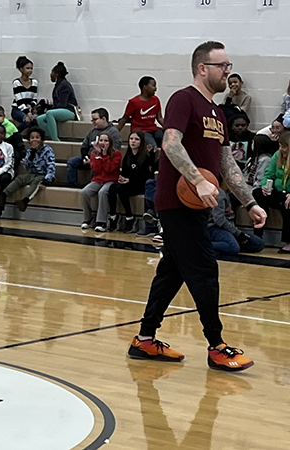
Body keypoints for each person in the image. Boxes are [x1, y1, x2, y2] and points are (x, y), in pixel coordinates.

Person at [129, 41, 267, 372]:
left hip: (196, 206)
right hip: (176, 202)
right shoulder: (183, 99)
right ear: (203, 68)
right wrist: (198, 180)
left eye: (228, 66)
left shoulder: (218, 113)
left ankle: (144, 340)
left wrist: (249, 201)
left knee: (172, 271)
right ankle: (216, 346)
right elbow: (170, 143)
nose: (227, 72)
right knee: (205, 269)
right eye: (222, 66)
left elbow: (226, 164)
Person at [0, 126, 56, 217]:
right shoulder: (30, 151)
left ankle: (25, 201)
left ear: (42, 139)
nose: (35, 140)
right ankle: (3, 195)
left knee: (36, 183)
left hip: (43, 175)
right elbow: (26, 166)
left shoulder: (48, 150)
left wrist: (47, 180)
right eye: (32, 138)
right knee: (20, 178)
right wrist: (32, 155)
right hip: (32, 173)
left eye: (37, 137)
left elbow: (51, 166)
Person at [108, 131, 156, 232]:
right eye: (131, 139)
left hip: (140, 184)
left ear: (141, 142)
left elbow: (147, 176)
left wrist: (129, 180)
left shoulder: (145, 156)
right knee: (112, 188)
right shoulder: (128, 156)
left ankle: (129, 217)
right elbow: (125, 173)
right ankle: (113, 216)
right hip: (129, 183)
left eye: (136, 139)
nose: (133, 141)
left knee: (122, 189)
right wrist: (122, 178)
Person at [252, 131, 290, 253]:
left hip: (288, 195)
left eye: (283, 146)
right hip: (278, 192)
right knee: (258, 194)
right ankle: (257, 236)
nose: (281, 149)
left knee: (288, 205)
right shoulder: (277, 155)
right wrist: (265, 186)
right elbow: (268, 174)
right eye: (279, 145)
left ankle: (288, 242)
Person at [66, 108, 122, 188]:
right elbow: (84, 146)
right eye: (92, 120)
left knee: (96, 166)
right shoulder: (92, 131)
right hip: (90, 157)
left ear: (103, 119)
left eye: (95, 119)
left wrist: (96, 158)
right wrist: (86, 157)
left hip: (104, 160)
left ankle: (93, 186)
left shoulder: (114, 132)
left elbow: (115, 150)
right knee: (72, 162)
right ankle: (72, 186)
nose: (93, 122)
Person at [80, 132, 122, 232]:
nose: (103, 142)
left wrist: (104, 155)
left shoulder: (117, 154)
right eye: (101, 140)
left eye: (106, 140)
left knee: (102, 192)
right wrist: (99, 155)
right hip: (98, 180)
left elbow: (109, 169)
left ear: (110, 142)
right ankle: (88, 218)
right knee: (84, 192)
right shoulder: (94, 153)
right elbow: (96, 169)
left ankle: (101, 221)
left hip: (111, 180)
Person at [208, 189, 264, 256]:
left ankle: (225, 244)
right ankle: (199, 246)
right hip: (215, 228)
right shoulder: (219, 194)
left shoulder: (229, 193)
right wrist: (238, 234)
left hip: (228, 229)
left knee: (258, 243)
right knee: (233, 247)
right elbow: (219, 220)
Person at [117, 76, 164, 149]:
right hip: (141, 131)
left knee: (166, 141)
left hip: (153, 129)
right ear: (145, 87)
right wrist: (115, 132)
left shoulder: (156, 100)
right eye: (153, 86)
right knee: (152, 146)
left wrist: (169, 128)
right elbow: (125, 118)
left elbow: (160, 118)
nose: (155, 88)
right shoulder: (134, 102)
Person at [36, 62, 78, 142]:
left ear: (57, 74)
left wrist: (50, 108)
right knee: (40, 119)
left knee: (49, 113)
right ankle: (53, 136)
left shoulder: (64, 85)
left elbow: (63, 104)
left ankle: (56, 140)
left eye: (52, 73)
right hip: (62, 109)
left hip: (70, 111)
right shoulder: (58, 85)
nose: (51, 75)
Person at [11, 56, 38, 130]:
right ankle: (15, 135)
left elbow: (34, 99)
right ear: (21, 69)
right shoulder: (16, 82)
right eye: (27, 68)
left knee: (35, 120)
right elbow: (19, 101)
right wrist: (27, 113)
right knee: (27, 120)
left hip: (29, 109)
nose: (30, 70)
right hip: (17, 109)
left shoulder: (34, 82)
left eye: (31, 68)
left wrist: (32, 110)